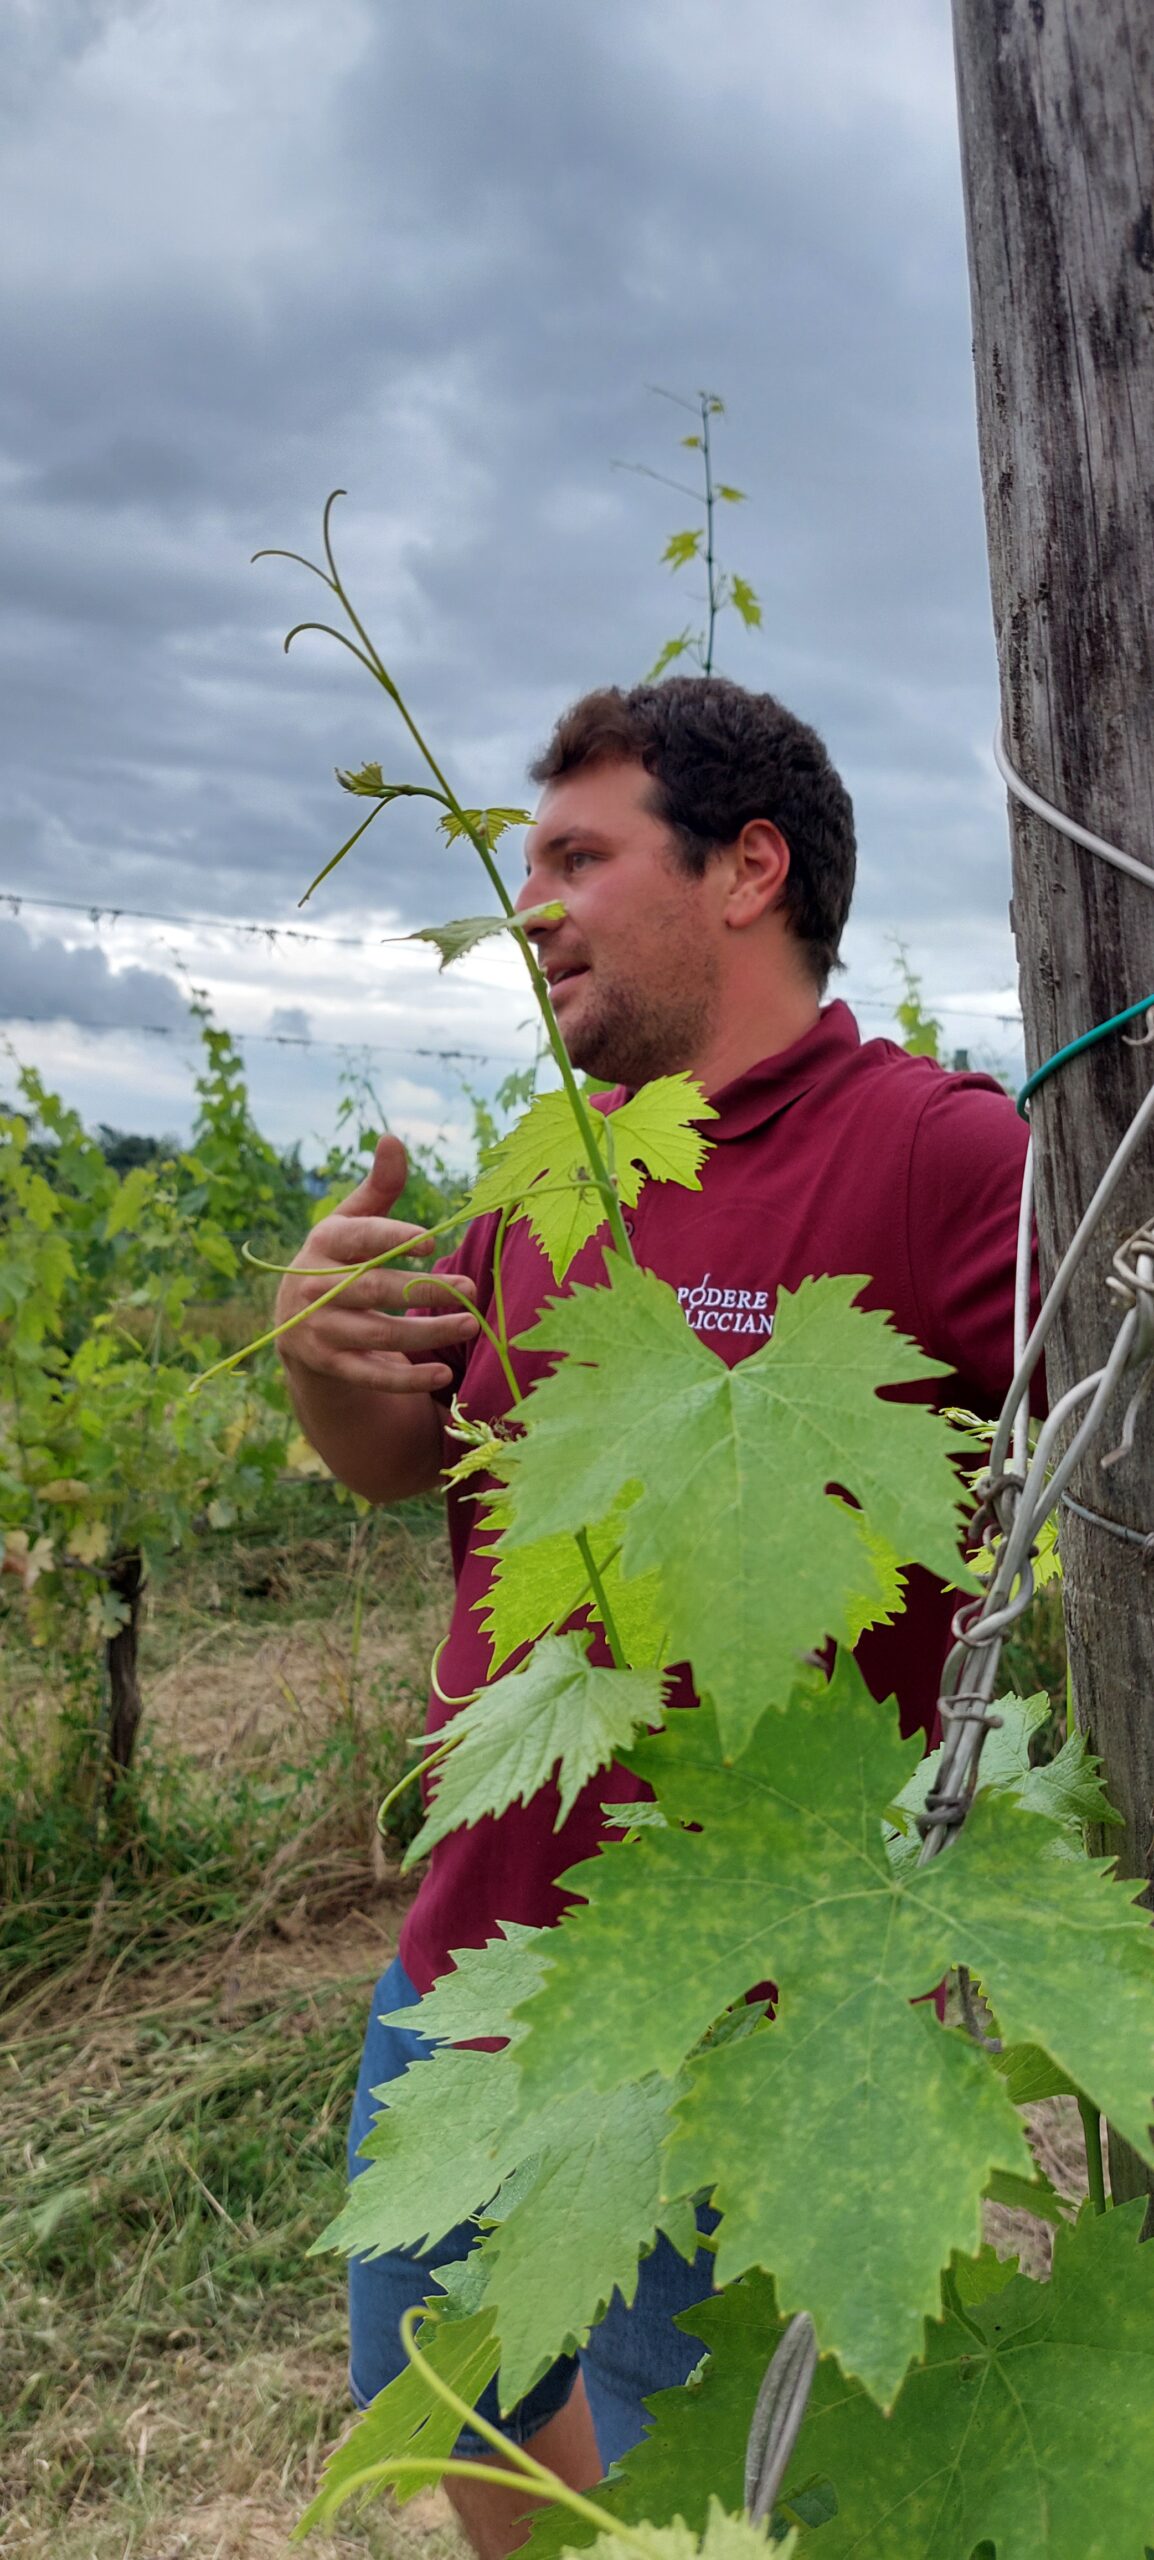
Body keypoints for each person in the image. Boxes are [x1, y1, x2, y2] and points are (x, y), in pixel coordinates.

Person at [275, 676, 1032, 2560]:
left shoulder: (938, 1156)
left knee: (716, 2484)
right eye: (526, 862)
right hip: (478, 1969)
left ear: (745, 870)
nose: (531, 907)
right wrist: (322, 1360)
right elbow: (400, 1458)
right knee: (446, 2392)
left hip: (746, 2009)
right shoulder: (555, 1174)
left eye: (576, 859)